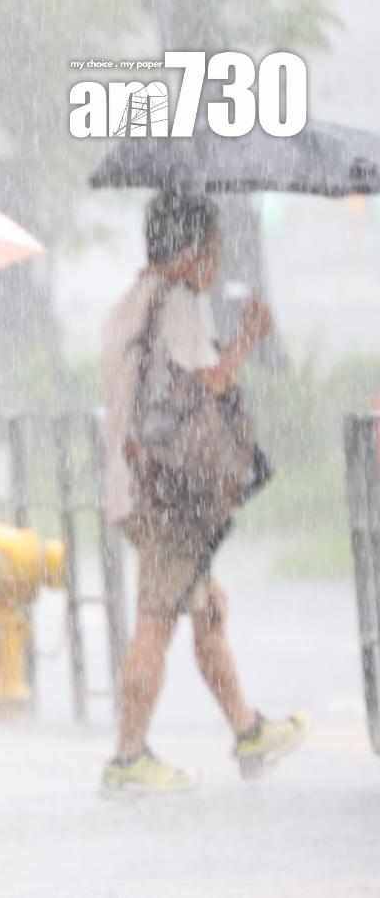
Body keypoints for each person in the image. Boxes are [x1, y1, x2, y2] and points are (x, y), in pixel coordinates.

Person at [99, 191, 306, 796]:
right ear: (189, 252)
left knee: (207, 612)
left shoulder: (131, 302)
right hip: (168, 495)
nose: (216, 261)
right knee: (156, 623)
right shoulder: (178, 304)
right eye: (212, 247)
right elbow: (207, 386)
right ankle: (127, 757)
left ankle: (247, 731)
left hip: (138, 485)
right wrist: (248, 336)